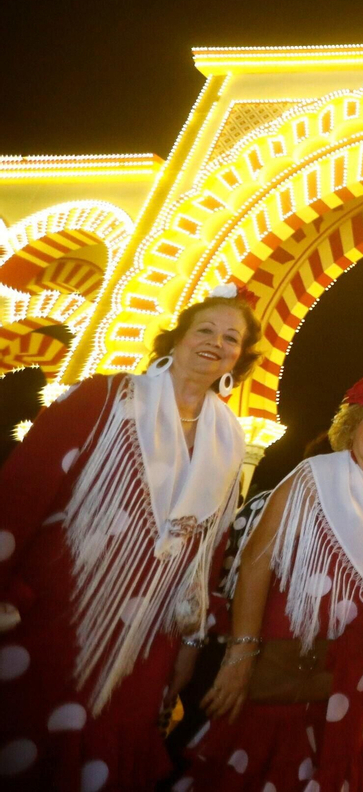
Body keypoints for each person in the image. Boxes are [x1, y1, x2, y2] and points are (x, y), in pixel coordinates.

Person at [0, 284, 259, 791]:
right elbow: (21, 496)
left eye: (231, 338)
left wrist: (190, 642)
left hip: (147, 637)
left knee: (106, 751)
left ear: (239, 358)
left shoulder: (229, 440)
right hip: (56, 610)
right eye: (204, 329)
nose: (216, 342)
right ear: (176, 338)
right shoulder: (105, 397)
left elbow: (209, 552)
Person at [187, 371, 363, 791]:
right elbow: (256, 561)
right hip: (297, 656)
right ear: (354, 424)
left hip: (355, 667)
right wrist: (242, 652)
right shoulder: (314, 476)